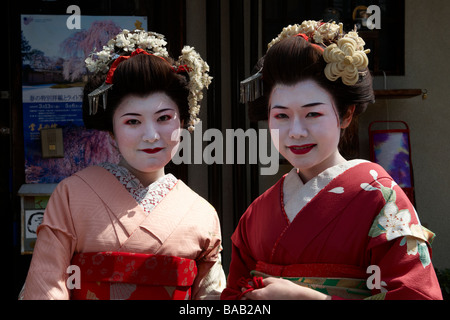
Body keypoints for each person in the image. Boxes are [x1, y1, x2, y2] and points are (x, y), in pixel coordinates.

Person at [222, 21, 442, 300]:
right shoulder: (257, 213)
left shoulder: (381, 198)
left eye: (313, 114)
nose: (296, 131)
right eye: (281, 116)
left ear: (346, 114)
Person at [20, 29, 225, 300]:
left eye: (164, 118)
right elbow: (46, 289)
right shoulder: (71, 195)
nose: (151, 135)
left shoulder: (202, 212)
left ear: (183, 122)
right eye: (132, 121)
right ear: (111, 131)